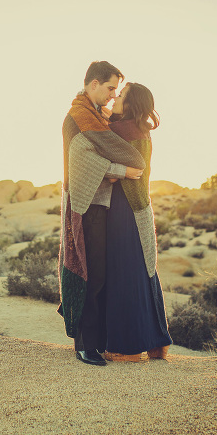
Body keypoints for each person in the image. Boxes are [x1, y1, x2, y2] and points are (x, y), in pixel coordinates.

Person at [58, 61, 146, 366]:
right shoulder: (78, 118)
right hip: (85, 206)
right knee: (89, 273)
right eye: (110, 88)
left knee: (100, 273)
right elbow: (82, 163)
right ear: (93, 84)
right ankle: (85, 345)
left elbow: (108, 151)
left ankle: (98, 341)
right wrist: (121, 170)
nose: (113, 95)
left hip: (100, 204)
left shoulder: (95, 116)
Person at [102, 82, 172, 361]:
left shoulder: (119, 131)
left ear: (130, 104)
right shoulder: (140, 129)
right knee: (144, 270)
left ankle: (127, 348)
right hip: (139, 206)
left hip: (122, 207)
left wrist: (112, 172)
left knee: (123, 272)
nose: (115, 98)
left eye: (120, 95)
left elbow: (102, 165)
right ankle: (156, 342)